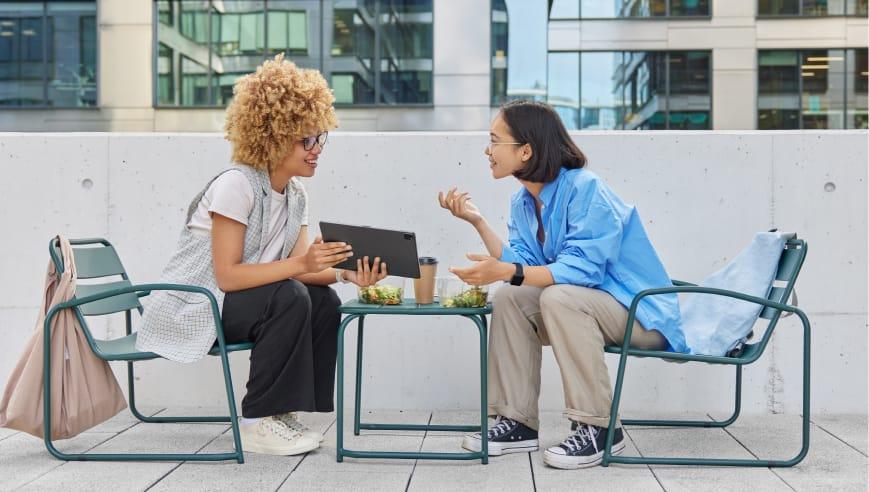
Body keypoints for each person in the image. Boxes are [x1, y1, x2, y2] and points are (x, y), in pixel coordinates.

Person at [137, 54, 387, 456]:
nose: (316, 149)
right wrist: (301, 267)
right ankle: (256, 422)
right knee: (288, 295)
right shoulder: (237, 185)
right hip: (196, 305)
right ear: (272, 135)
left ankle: (283, 412)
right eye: (306, 140)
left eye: (320, 137)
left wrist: (345, 275)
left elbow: (305, 270)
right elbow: (228, 277)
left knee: (322, 299)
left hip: (238, 303)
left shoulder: (295, 195)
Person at [438, 99, 688, 469]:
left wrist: (506, 271)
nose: (487, 151)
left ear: (526, 150)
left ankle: (600, 428)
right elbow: (524, 265)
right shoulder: (525, 201)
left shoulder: (586, 189)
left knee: (559, 297)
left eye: (494, 141)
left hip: (642, 314)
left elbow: (580, 272)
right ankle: (518, 421)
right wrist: (478, 223)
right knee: (512, 297)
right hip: (593, 307)